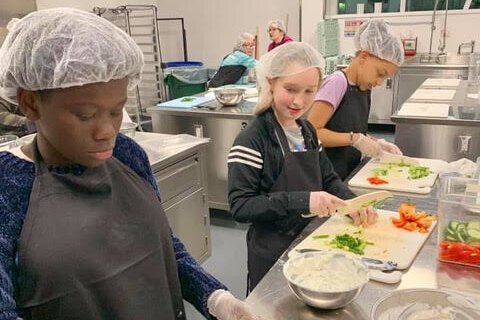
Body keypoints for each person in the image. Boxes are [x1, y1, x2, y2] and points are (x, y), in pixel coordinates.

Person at [0, 8, 258, 320]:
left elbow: (164, 245)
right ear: (30, 103)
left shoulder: (128, 154)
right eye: (86, 115)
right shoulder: (9, 185)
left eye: (116, 110)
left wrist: (214, 297)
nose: (107, 131)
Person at [227, 42, 378, 291]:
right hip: (271, 254)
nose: (299, 101)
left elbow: (328, 178)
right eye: (291, 89)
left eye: (310, 91)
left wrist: (353, 205)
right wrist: (303, 200)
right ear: (271, 82)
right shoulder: (253, 139)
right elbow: (241, 206)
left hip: (310, 244)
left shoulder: (306, 130)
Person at [307, 19, 404, 180]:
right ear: (364, 57)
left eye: (385, 78)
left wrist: (375, 142)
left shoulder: (363, 87)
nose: (380, 82)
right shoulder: (338, 82)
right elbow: (311, 133)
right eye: (380, 73)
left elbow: (351, 128)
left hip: (347, 172)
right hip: (324, 176)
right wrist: (355, 139)